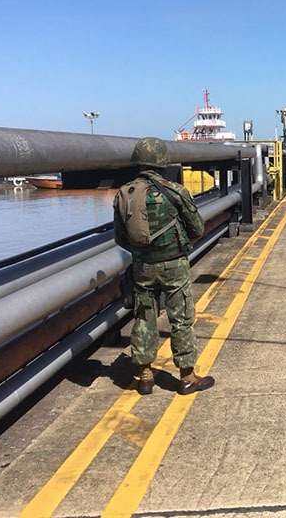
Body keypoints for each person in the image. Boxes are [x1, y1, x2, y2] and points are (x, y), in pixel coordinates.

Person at [113, 136, 215, 396]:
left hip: (142, 267)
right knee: (181, 319)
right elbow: (198, 228)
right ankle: (187, 377)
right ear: (162, 161)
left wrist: (143, 254)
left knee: (144, 317)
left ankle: (145, 377)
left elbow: (120, 238)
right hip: (174, 265)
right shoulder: (175, 191)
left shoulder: (125, 194)